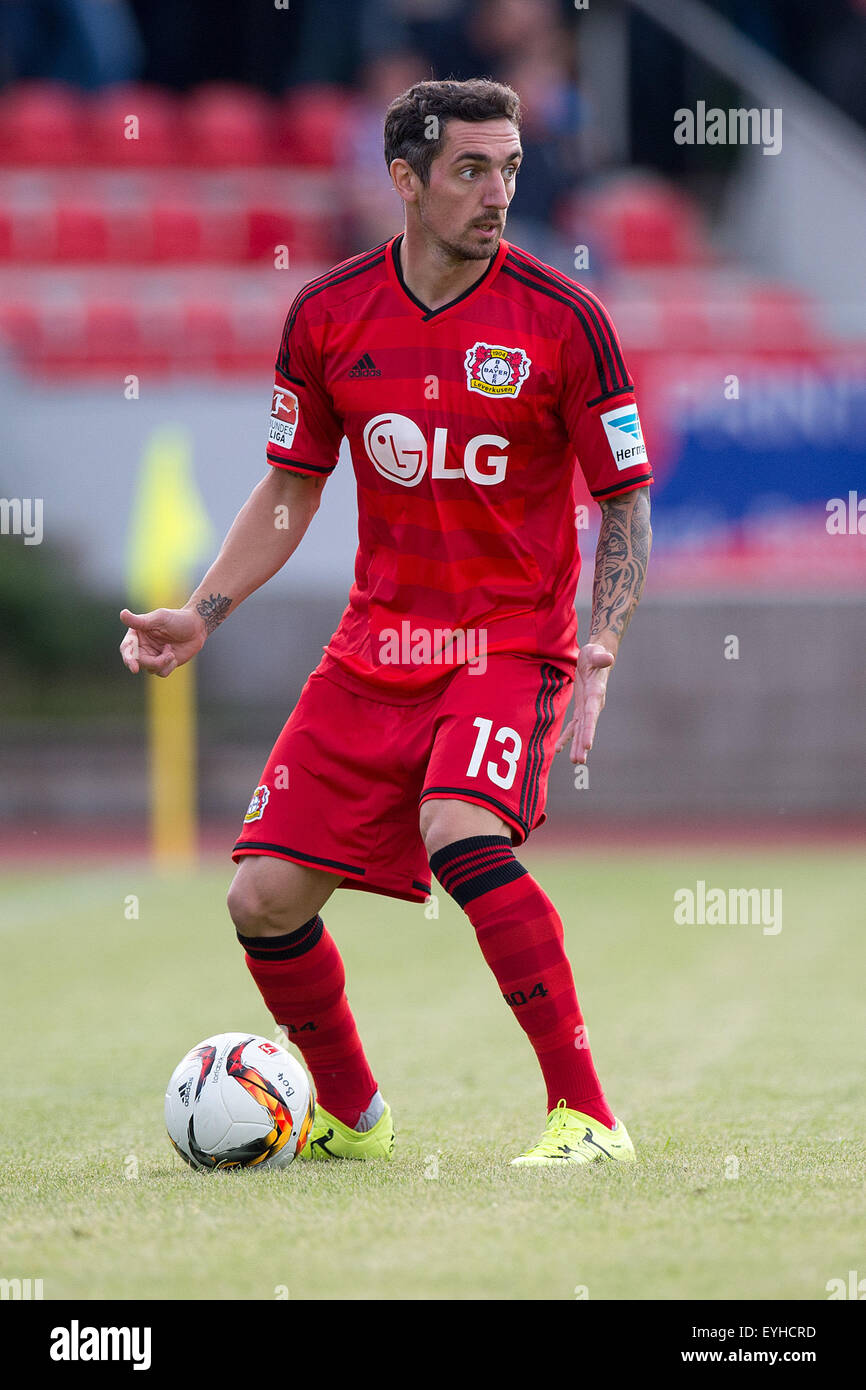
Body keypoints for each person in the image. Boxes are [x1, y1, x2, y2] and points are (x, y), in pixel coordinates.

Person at [120, 78, 652, 1167]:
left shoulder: (566, 319)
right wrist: (204, 611)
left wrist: (599, 646)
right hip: (378, 646)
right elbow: (289, 489)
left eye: (508, 167)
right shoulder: (326, 314)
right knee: (260, 896)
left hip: (507, 645)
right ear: (403, 180)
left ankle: (587, 1116)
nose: (497, 190)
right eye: (469, 169)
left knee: (461, 833)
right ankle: (353, 1116)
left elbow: (623, 498)